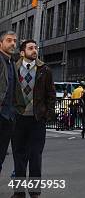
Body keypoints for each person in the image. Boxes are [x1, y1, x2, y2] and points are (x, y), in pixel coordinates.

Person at [12, 40, 56, 198]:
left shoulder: (45, 70)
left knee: (36, 156)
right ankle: (19, 192)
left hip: (37, 120)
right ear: (22, 52)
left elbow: (51, 95)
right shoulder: (13, 68)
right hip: (18, 119)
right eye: (31, 48)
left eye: (36, 48)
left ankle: (35, 192)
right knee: (19, 156)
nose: (34, 50)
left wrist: (47, 115)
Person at [0, 30, 25, 175]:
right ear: (1, 43)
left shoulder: (11, 62)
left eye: (14, 41)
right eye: (9, 40)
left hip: (8, 116)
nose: (13, 43)